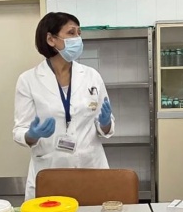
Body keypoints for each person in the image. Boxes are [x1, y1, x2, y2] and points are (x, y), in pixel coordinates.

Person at [13, 12, 115, 199]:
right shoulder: (28, 80)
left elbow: (105, 128)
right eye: (71, 33)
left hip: (90, 165)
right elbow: (20, 130)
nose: (77, 39)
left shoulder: (91, 76)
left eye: (79, 33)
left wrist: (106, 123)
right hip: (51, 168)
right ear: (51, 39)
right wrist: (32, 135)